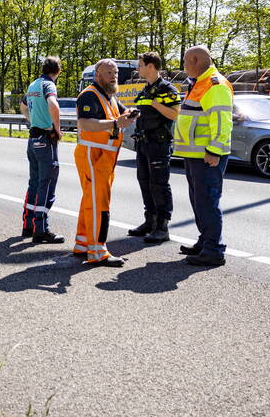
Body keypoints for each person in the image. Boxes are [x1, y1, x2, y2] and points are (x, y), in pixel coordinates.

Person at [73, 59, 137, 266]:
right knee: (98, 203)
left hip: (104, 156)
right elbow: (85, 123)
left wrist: (129, 114)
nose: (113, 76)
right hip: (93, 155)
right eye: (109, 72)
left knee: (90, 200)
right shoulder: (90, 95)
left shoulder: (109, 96)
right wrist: (115, 123)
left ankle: (83, 243)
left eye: (115, 73)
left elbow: (121, 114)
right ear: (97, 75)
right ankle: (97, 251)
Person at [175, 45, 234, 266]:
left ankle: (213, 250)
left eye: (185, 61)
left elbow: (222, 121)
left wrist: (214, 151)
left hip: (207, 155)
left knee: (207, 202)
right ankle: (205, 241)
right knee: (199, 201)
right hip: (196, 154)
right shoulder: (200, 82)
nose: (183, 65)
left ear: (196, 60)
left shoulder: (214, 85)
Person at [127, 51, 181, 244]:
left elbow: (175, 114)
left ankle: (162, 227)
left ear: (151, 66)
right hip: (143, 142)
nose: (138, 69)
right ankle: (149, 221)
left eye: (140, 65)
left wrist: (157, 105)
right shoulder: (145, 90)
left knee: (159, 184)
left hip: (158, 144)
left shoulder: (167, 89)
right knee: (145, 182)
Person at [20, 56, 64, 244]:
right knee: (47, 184)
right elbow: (53, 104)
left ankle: (28, 225)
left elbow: (23, 106)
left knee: (35, 182)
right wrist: (57, 129)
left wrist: (33, 120)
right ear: (58, 71)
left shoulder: (33, 85)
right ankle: (41, 229)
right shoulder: (48, 85)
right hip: (45, 140)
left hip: (33, 139)